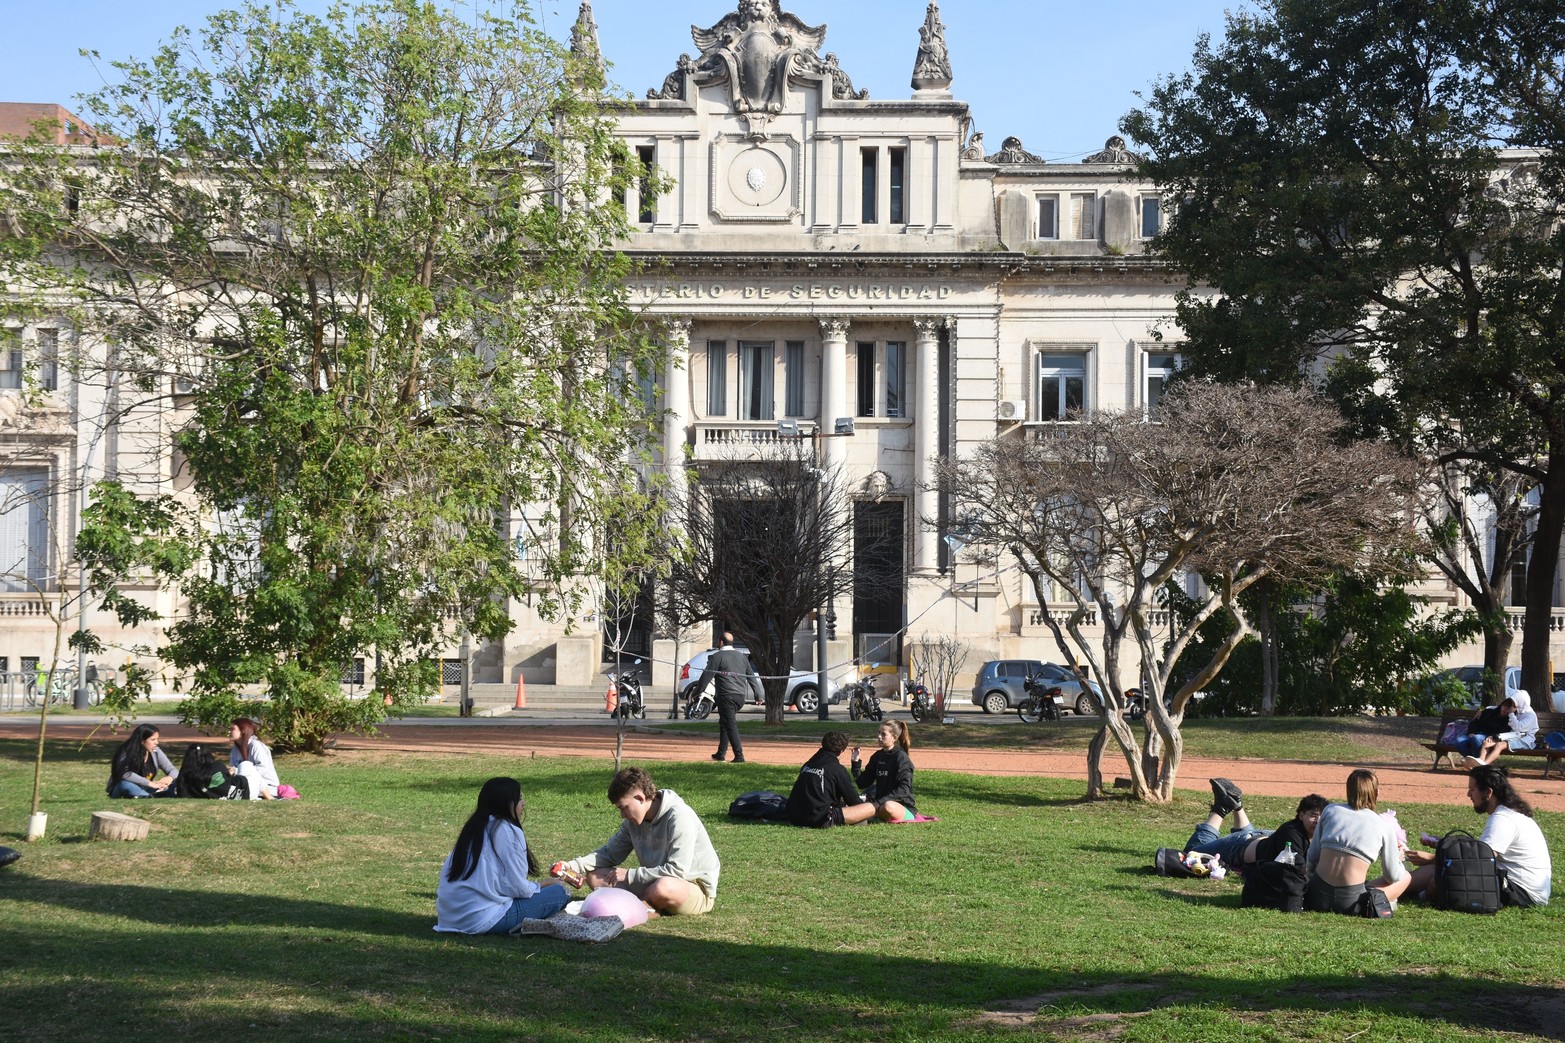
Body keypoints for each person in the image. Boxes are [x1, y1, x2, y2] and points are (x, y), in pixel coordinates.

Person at [557, 766, 720, 916]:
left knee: (663, 887)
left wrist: (630, 875)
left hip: (690, 887)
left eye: (624, 807)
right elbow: (610, 854)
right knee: (595, 876)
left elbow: (677, 871)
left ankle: (641, 907)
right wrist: (572, 866)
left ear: (640, 798)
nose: (622, 815)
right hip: (653, 882)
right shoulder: (633, 822)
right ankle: (643, 905)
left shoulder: (679, 817)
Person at [435, 777, 570, 934]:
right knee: (559, 892)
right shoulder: (507, 830)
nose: (524, 803)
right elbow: (515, 887)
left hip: (448, 919)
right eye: (519, 798)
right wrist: (541, 885)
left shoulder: (473, 828)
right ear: (508, 804)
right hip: (481, 920)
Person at [1406, 765, 1552, 907]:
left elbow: (1480, 861)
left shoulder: (1503, 819)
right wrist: (1443, 845)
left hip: (1522, 892)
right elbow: (1480, 852)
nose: (1468, 794)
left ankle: (1408, 892)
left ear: (1488, 792)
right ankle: (1405, 889)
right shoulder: (1508, 814)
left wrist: (1433, 858)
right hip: (1522, 888)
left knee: (1443, 873)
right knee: (1443, 869)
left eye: (1472, 789)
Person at [1304, 768, 1412, 914]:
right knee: (1405, 877)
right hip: (1351, 903)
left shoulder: (1330, 810)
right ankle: (1387, 902)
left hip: (1316, 896)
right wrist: (1398, 859)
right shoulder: (1384, 826)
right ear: (1377, 792)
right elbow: (1392, 876)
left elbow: (1312, 857)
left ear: (1348, 790)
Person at [1183, 779, 1323, 867]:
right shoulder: (1293, 834)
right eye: (1313, 816)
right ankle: (1220, 809)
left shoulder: (1320, 836)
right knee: (1190, 853)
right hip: (1238, 846)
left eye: (1322, 817)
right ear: (1301, 815)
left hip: (1258, 839)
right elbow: (1298, 868)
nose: (1318, 821)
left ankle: (1236, 804)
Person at [693, 632, 762, 763]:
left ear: (720, 642)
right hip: (740, 697)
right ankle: (721, 753)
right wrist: (758, 695)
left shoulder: (717, 656)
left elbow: (705, 677)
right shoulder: (742, 657)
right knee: (724, 722)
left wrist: (696, 693)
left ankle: (739, 756)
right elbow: (751, 677)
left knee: (730, 725)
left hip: (726, 696)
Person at [789, 732, 876, 828]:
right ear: (841, 751)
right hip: (820, 819)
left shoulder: (808, 764)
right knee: (869, 808)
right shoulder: (837, 769)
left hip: (794, 816)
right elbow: (854, 801)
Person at [851, 719, 918, 822]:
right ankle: (869, 813)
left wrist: (879, 802)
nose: (879, 737)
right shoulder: (877, 756)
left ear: (894, 738)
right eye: (878, 733)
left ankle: (868, 814)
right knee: (855, 802)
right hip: (879, 804)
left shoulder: (901, 757)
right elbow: (862, 783)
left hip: (901, 806)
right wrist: (855, 763)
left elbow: (904, 790)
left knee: (888, 806)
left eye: (883, 734)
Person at [1464, 690, 1539, 767]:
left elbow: (1518, 727)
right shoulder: (1518, 710)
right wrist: (1482, 710)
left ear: (1521, 703)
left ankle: (1484, 765)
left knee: (1499, 745)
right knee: (1487, 742)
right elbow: (1496, 707)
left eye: (1514, 704)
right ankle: (1480, 760)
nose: (1512, 706)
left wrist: (1511, 713)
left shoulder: (1530, 715)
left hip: (1524, 740)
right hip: (1512, 736)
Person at [106, 724, 178, 798]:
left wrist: (170, 778)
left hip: (147, 788)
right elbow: (124, 774)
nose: (156, 742)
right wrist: (149, 783)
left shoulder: (155, 751)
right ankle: (152, 796)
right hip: (127, 787)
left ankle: (156, 794)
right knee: (125, 785)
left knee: (178, 781)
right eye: (153, 739)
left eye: (157, 739)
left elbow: (172, 770)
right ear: (142, 741)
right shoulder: (126, 752)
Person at [229, 717, 280, 800]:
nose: (229, 732)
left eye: (232, 729)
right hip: (246, 784)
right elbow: (233, 767)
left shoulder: (256, 745)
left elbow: (263, 768)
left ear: (243, 731)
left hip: (267, 787)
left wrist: (237, 771)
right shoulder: (235, 749)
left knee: (245, 765)